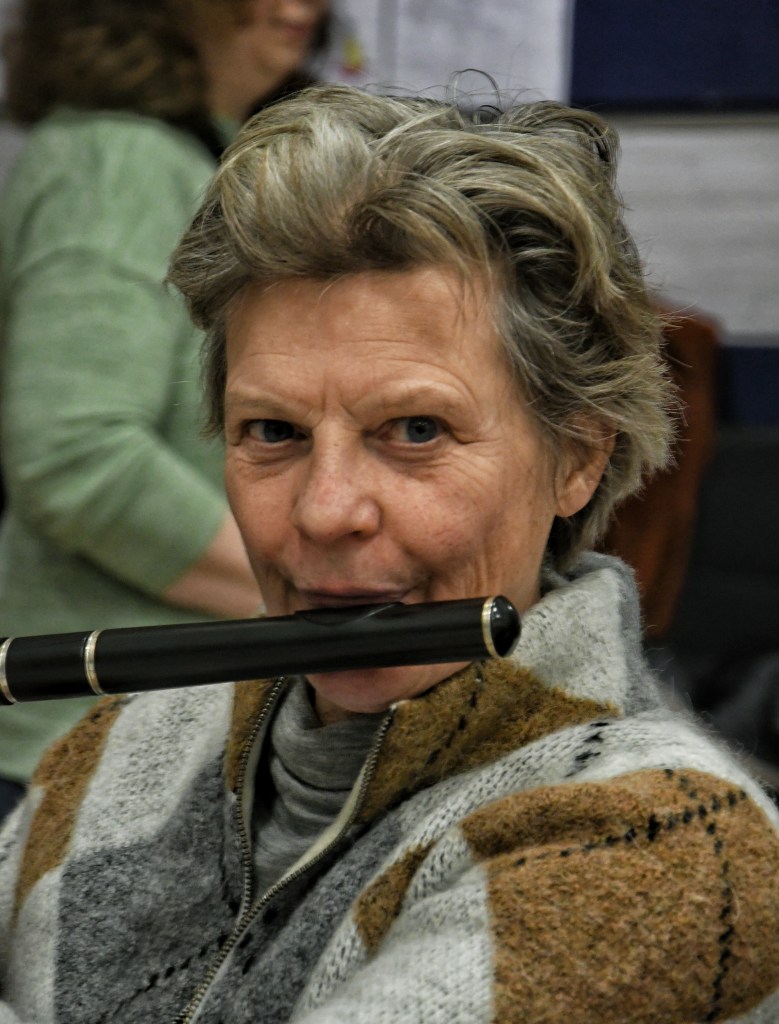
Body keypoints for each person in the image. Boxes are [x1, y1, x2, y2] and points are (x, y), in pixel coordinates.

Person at [1, 85, 778, 1022]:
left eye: (415, 430)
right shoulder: (114, 750)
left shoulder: (663, 840)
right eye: (273, 432)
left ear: (576, 459)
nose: (325, 511)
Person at [0, 0, 329, 813]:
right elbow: (76, 455)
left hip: (152, 740)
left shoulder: (198, 148)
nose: (301, 7)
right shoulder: (119, 159)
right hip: (82, 753)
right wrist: (308, 601)